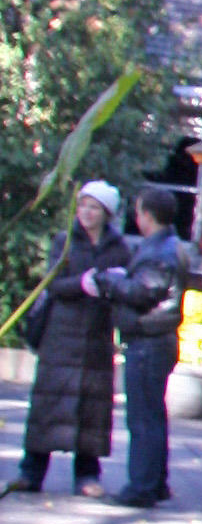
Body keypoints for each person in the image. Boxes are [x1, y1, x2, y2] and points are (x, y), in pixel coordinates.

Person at [6, 180, 126, 496]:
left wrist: (111, 284)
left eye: (94, 207)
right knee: (48, 402)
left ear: (106, 213)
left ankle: (87, 475)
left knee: (91, 405)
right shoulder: (65, 240)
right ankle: (31, 472)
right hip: (61, 333)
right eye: (83, 205)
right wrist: (82, 284)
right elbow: (54, 285)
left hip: (95, 335)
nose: (86, 212)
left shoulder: (119, 247)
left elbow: (124, 286)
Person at [106, 186, 202, 509]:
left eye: (138, 211)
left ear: (146, 214)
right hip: (156, 338)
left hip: (149, 339)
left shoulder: (160, 252)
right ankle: (155, 482)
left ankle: (142, 486)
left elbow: (144, 292)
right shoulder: (169, 247)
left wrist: (111, 281)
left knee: (143, 417)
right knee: (153, 414)